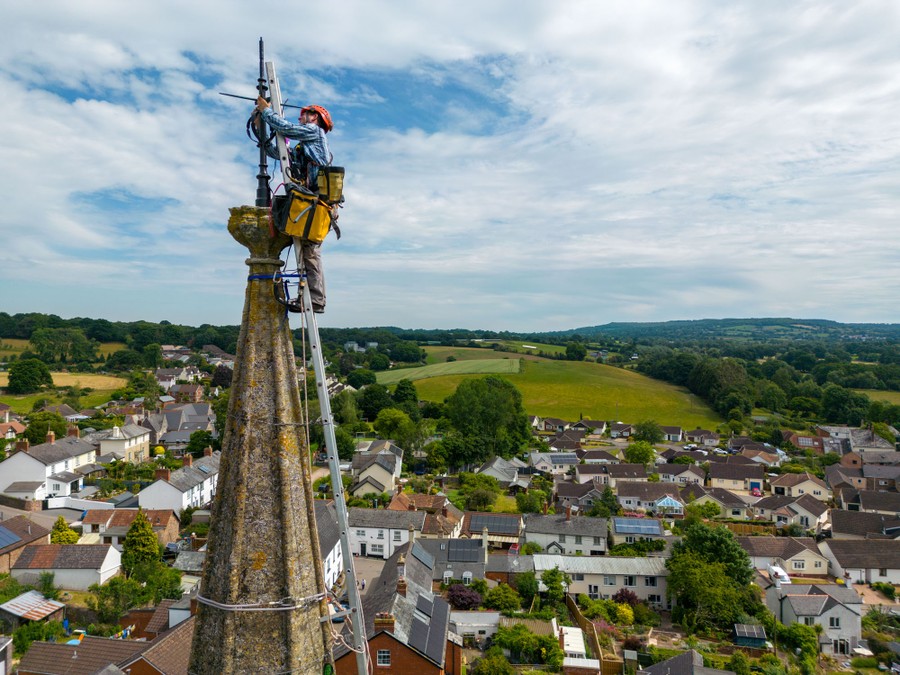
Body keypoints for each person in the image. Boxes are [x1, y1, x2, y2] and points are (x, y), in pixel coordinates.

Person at [256, 96, 334, 313]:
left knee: (310, 252)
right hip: (306, 202)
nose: (301, 117)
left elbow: (287, 128)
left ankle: (316, 300)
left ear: (316, 118)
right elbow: (279, 154)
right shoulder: (303, 147)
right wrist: (259, 129)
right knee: (304, 253)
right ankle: (306, 296)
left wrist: (267, 113)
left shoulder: (315, 133)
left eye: (306, 114)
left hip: (317, 203)